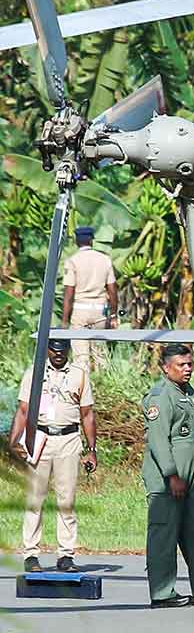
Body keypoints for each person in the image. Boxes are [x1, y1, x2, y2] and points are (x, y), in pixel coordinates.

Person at [8, 337, 96, 573]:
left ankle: (66, 554)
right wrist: (13, 443)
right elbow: (24, 410)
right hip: (40, 439)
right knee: (34, 498)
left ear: (67, 350)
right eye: (54, 350)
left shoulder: (79, 375)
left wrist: (92, 450)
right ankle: (31, 554)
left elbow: (87, 414)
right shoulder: (34, 373)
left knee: (66, 499)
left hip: (68, 439)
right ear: (47, 350)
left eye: (62, 350)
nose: (58, 354)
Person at [141, 343, 194, 608]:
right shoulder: (161, 396)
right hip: (167, 478)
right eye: (180, 365)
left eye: (189, 364)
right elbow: (159, 441)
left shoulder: (189, 392)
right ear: (165, 367)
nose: (187, 369)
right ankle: (162, 593)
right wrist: (172, 476)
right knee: (164, 533)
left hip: (192, 477)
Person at [60, 226, 117, 371]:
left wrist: (65, 321)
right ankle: (103, 385)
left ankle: (83, 389)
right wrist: (114, 314)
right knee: (100, 355)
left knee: (81, 358)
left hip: (80, 311)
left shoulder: (72, 261)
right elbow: (112, 290)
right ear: (92, 240)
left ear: (76, 241)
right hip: (100, 311)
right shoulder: (105, 260)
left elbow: (69, 293)